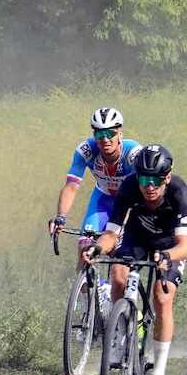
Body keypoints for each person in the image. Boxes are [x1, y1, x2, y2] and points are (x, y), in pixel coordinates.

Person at [93, 144, 187, 375]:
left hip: (169, 244)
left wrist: (169, 256)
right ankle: (119, 333)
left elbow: (186, 246)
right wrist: (96, 249)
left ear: (167, 177)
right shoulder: (128, 186)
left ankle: (158, 373)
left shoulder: (178, 191)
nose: (150, 186)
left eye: (156, 180)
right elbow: (112, 234)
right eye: (144, 179)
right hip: (137, 237)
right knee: (117, 275)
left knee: (162, 296)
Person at [49, 107, 141, 266]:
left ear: (120, 133)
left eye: (110, 133)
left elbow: (141, 191)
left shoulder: (132, 153)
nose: (105, 139)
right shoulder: (86, 150)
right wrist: (61, 216)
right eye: (99, 134)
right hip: (102, 200)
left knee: (117, 255)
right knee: (84, 249)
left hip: (129, 204)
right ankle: (94, 288)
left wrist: (125, 223)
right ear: (94, 136)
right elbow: (71, 186)